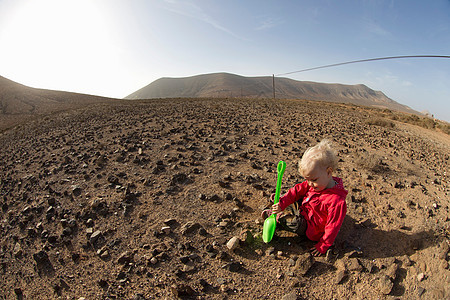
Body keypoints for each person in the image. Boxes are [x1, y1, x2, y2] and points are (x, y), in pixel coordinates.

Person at [262, 139, 348, 256]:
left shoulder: (336, 201)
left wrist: (322, 245)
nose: (309, 183)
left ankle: (279, 218)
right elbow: (296, 191)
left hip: (310, 228)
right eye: (307, 179)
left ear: (329, 172)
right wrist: (282, 203)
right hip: (306, 208)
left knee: (295, 223)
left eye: (313, 180)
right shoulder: (316, 183)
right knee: (295, 195)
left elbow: (332, 227)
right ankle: (279, 201)